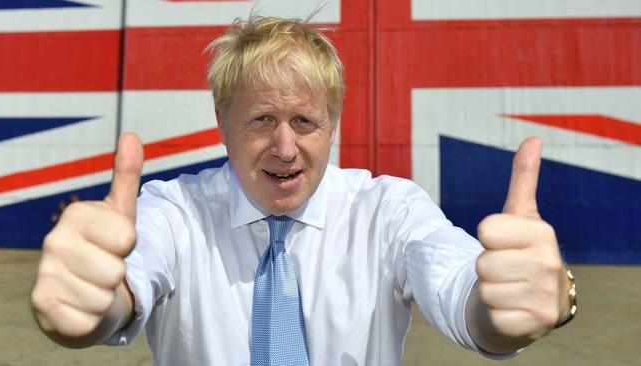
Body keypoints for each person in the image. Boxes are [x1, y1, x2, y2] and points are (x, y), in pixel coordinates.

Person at [31, 15, 576, 365]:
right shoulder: (174, 212)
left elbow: (462, 292)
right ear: (222, 120)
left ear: (334, 123)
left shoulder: (386, 210)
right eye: (262, 119)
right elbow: (126, 286)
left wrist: (502, 311)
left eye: (305, 122)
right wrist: (95, 306)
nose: (285, 148)